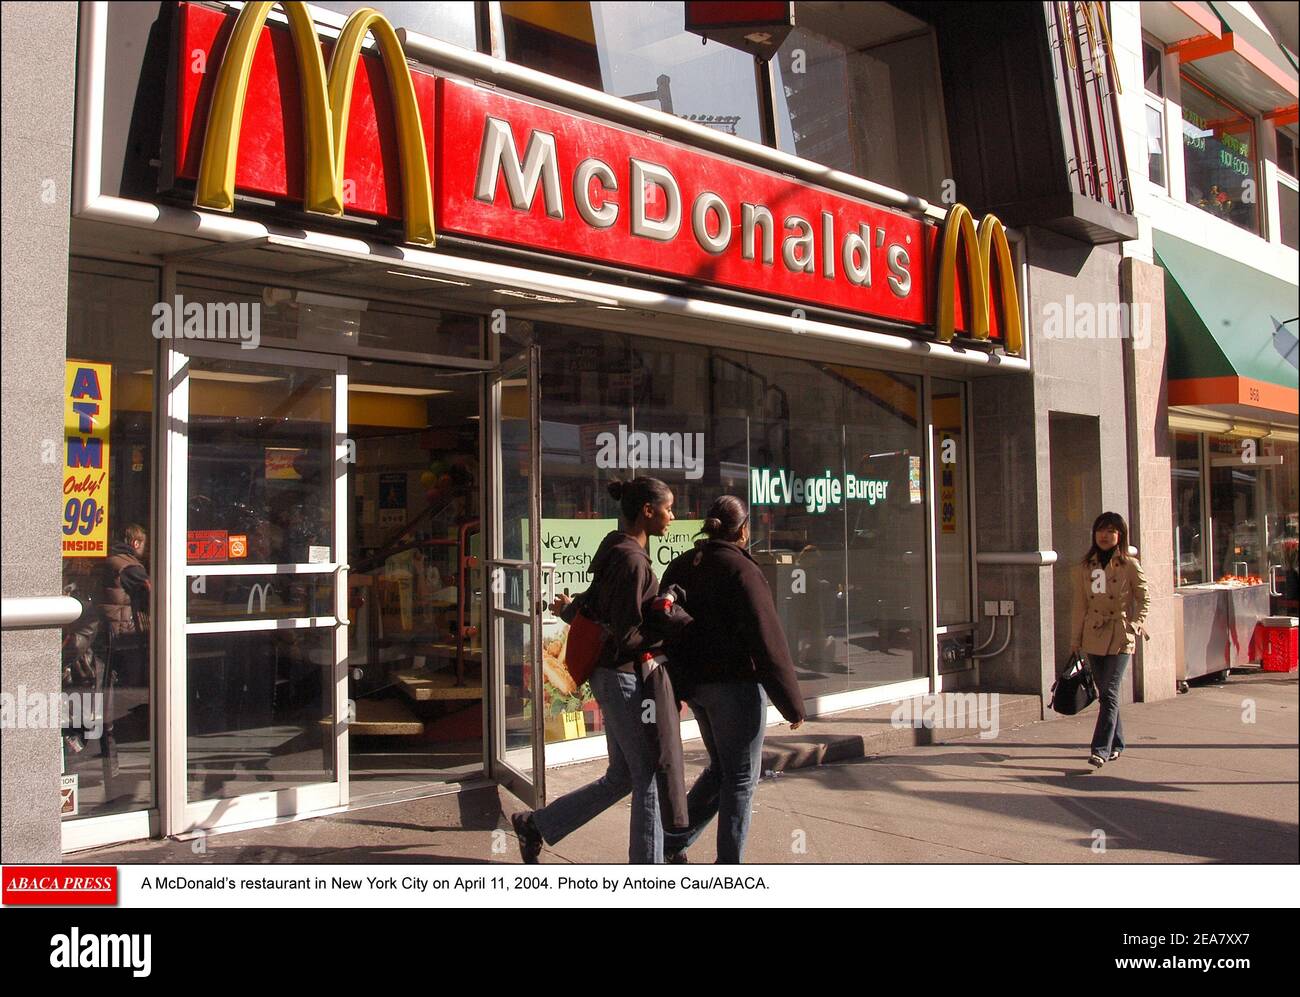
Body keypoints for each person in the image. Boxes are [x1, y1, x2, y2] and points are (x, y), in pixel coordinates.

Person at [513, 477, 675, 864]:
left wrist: (570, 609)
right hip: (620, 676)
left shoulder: (614, 548)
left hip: (606, 674)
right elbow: (626, 634)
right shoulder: (633, 560)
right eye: (668, 508)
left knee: (622, 776)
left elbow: (595, 607)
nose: (673, 516)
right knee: (647, 775)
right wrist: (670, 628)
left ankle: (536, 825)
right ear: (647, 511)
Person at [659, 495, 805, 863]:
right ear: (744, 530)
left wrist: (678, 686)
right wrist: (792, 704)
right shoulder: (743, 571)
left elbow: (667, 631)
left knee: (722, 770)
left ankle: (672, 841)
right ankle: (728, 868)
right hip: (736, 689)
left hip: (698, 688)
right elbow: (768, 640)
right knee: (740, 778)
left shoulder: (681, 566)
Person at [1070, 511, 1149, 768]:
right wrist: (1075, 639)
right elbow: (1080, 605)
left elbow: (1144, 597)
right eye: (1101, 530)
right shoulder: (1088, 566)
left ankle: (1100, 749)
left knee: (1111, 690)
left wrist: (1136, 624)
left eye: (1111, 531)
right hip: (1094, 632)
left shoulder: (1129, 564)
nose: (1105, 536)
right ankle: (1117, 743)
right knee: (1106, 693)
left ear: (1120, 535)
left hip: (1120, 634)